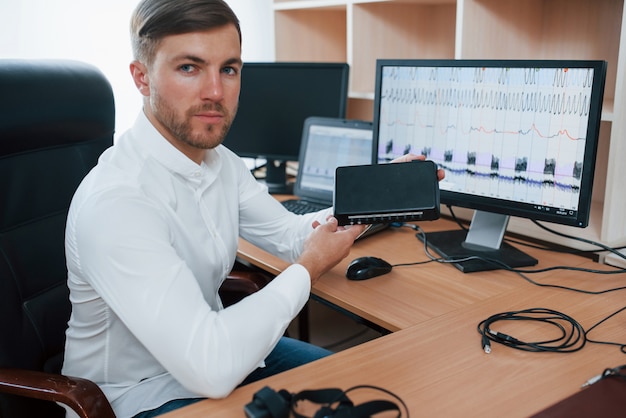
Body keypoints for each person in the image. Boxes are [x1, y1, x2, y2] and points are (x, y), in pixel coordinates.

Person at [61, 1, 443, 417]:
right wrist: (309, 268)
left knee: (374, 391)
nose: (215, 91)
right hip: (136, 397)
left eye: (228, 69)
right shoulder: (118, 201)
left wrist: (375, 201)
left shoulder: (219, 162)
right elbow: (211, 368)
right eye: (189, 67)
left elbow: (292, 237)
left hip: (220, 354)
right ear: (142, 78)